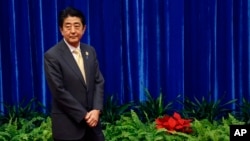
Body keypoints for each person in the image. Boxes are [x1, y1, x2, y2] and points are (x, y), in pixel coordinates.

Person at [44, 7, 105, 141]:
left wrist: (96, 110)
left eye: (77, 26)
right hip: (68, 127)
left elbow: (98, 81)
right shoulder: (52, 55)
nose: (73, 31)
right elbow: (59, 91)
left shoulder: (90, 51)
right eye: (68, 26)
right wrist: (84, 115)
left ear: (84, 28)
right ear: (61, 30)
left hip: (93, 126)